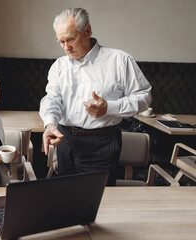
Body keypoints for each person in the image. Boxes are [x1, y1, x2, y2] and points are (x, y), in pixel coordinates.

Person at [39, 8, 152, 185]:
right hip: (65, 141)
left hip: (102, 143)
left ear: (88, 31)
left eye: (71, 39)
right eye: (61, 41)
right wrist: (49, 124)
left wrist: (109, 108)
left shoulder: (119, 60)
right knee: (64, 200)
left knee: (100, 203)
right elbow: (52, 99)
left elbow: (144, 97)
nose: (66, 47)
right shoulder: (59, 66)